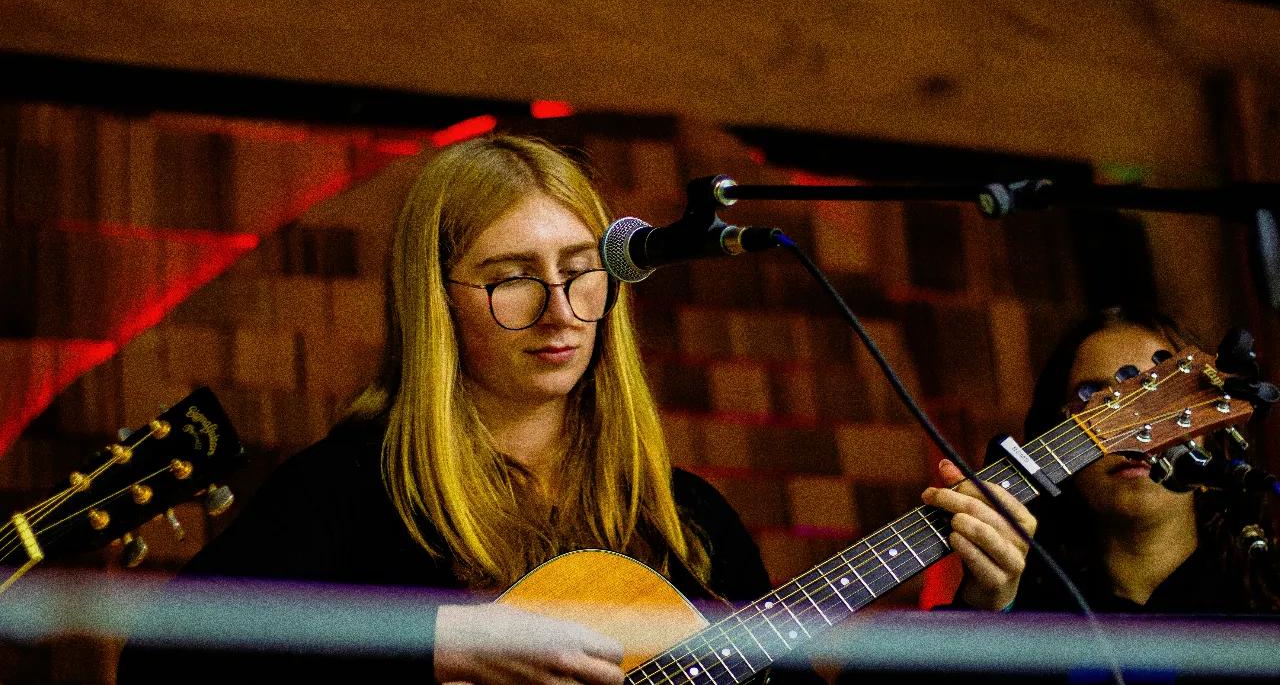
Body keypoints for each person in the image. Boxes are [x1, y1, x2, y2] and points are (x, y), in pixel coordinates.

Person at [119, 134, 1035, 684]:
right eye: (512, 279)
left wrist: (972, 614)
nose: (560, 309)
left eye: (580, 271)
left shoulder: (688, 523)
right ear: (436, 301)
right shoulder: (351, 488)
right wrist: (443, 643)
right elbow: (166, 664)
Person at [1014, 307, 1280, 614]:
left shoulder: (1265, 591)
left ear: (1212, 428)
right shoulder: (1026, 613)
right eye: (1092, 398)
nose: (1131, 428)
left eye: (1158, 396)